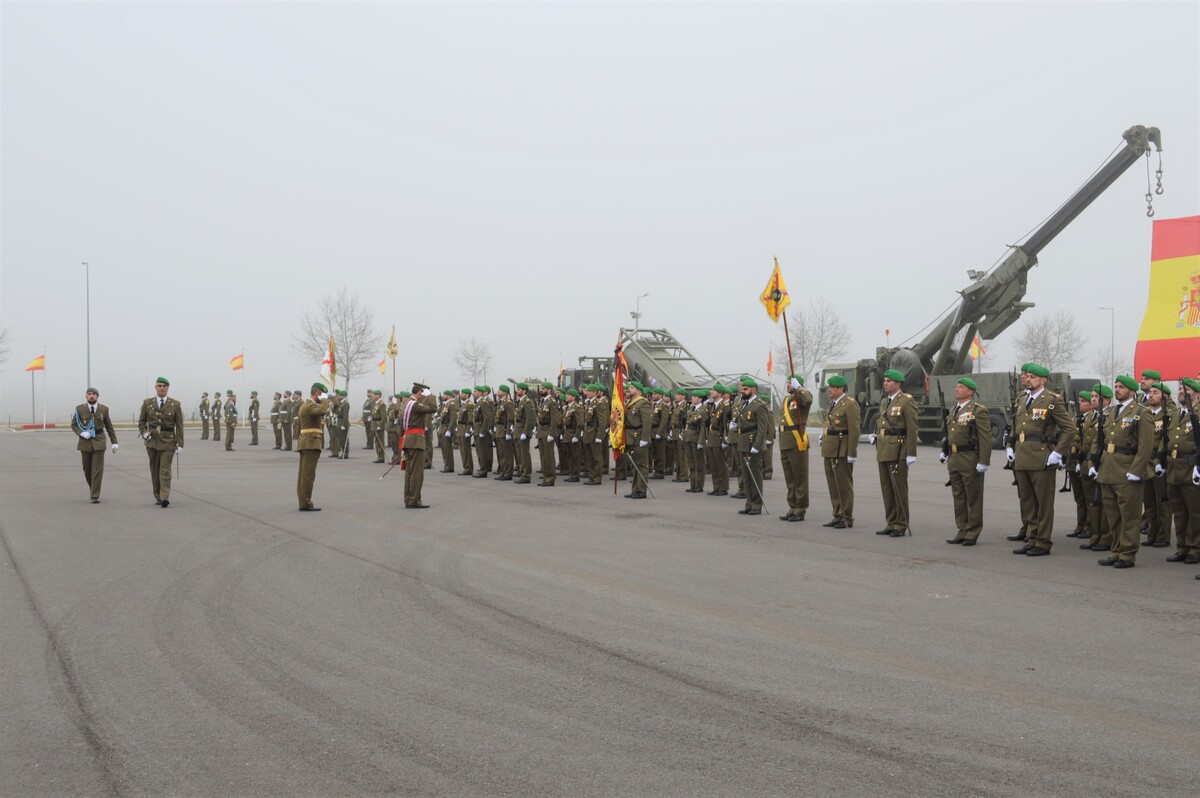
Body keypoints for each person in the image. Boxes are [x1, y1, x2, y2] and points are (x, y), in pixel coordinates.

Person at [1009, 363, 1076, 556]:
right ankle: (1031, 537)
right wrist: (1010, 447)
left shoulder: (1052, 401)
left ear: (1043, 380)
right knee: (1028, 501)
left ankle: (1043, 541)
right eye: (1027, 376)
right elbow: (1017, 426)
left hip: (1041, 457)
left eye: (1033, 377)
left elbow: (1069, 429)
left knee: (1043, 503)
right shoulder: (1023, 399)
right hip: (1022, 456)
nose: (1028, 379)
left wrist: (1058, 453)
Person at [1090, 375, 1153, 568]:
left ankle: (1127, 553)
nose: (1117, 389)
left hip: (1127, 470)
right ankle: (1116, 550)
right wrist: (1095, 463)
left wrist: (1136, 470)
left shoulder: (1142, 413)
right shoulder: (1111, 412)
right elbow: (1099, 439)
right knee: (1113, 514)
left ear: (1131, 391)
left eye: (1121, 387)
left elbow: (1146, 446)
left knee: (1129, 515)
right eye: (1116, 386)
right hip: (1108, 469)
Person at [941, 377, 992, 545]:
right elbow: (950, 435)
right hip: (955, 459)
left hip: (970, 458)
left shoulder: (978, 410)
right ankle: (962, 529)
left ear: (970, 391)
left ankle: (972, 532)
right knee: (959, 497)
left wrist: (984, 461)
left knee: (973, 497)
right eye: (956, 387)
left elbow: (985, 438)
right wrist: (945, 451)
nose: (956, 389)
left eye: (961, 387)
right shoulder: (952, 410)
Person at [873, 369, 918, 537]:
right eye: (884, 380)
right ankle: (891, 522)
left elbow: (912, 429)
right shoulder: (884, 402)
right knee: (887, 489)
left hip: (898, 450)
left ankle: (901, 524)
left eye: (889, 381)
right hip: (883, 449)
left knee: (899, 489)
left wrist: (911, 453)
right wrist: (876, 436)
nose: (885, 383)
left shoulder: (906, 401)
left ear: (898, 384)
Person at [1165, 377, 1200, 566]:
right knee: (1178, 511)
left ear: (1196, 394)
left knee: (1195, 511)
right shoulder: (1176, 414)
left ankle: (1195, 548)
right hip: (1174, 467)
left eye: (1185, 389)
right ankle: (1182, 546)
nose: (1180, 392)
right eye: (1179, 389)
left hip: (1191, 467)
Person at [137, 376, 185, 507]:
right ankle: (157, 494)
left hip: (168, 441)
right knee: (154, 469)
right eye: (159, 386)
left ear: (168, 388)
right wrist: (144, 433)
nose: (162, 388)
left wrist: (180, 443)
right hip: (152, 441)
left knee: (165, 469)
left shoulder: (175, 405)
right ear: (155, 388)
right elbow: (141, 422)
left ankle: (164, 497)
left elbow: (179, 425)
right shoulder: (147, 403)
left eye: (164, 386)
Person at [821, 375, 859, 529]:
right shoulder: (833, 403)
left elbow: (854, 430)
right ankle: (837, 514)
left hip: (841, 450)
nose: (829, 390)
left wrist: (851, 453)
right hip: (830, 448)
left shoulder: (850, 404)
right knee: (833, 485)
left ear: (841, 388)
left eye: (832, 387)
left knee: (843, 485)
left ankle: (846, 516)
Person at [1079, 385, 1113, 552]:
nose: (1093, 399)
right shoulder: (1090, 416)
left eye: (1096, 397)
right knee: (1092, 501)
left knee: (1105, 503)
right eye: (1092, 396)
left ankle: (1106, 537)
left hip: (1105, 464)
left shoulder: (1110, 415)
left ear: (1107, 400)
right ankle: (1095, 535)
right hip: (1090, 463)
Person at [72, 387, 118, 503]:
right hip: (85, 442)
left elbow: (109, 426)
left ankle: (95, 494)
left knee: (97, 469)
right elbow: (74, 425)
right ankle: (93, 487)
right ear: (86, 396)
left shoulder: (104, 409)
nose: (91, 396)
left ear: (97, 396)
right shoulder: (80, 409)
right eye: (89, 394)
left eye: (93, 394)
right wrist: (81, 433)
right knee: (87, 469)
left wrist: (114, 442)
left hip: (99, 440)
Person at [777, 375, 813, 522]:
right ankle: (792, 506)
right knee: (790, 477)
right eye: (788, 382)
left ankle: (800, 508)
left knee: (800, 476)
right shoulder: (787, 400)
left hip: (797, 440)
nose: (787, 385)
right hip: (785, 441)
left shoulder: (801, 398)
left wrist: (799, 388)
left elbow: (809, 399)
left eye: (790, 383)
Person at [1143, 383, 1173, 548]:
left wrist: (1159, 461)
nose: (1151, 395)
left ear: (1164, 397)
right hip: (1145, 463)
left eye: (1155, 392)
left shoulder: (1167, 415)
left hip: (1159, 463)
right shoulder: (1145, 414)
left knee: (1162, 502)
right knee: (1149, 502)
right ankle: (1152, 534)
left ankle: (1163, 536)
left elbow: (1165, 440)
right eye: (1150, 392)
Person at [734, 376, 770, 515]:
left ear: (753, 390)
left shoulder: (759, 405)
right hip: (743, 442)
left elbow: (762, 428)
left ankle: (756, 505)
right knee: (746, 475)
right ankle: (749, 503)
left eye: (745, 389)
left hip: (752, 442)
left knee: (755, 475)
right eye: (742, 389)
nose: (742, 391)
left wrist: (758, 445)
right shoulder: (744, 404)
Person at [296, 383, 331, 511]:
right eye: (321, 394)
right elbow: (322, 411)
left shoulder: (305, 405)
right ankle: (305, 503)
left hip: (306, 442)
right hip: (310, 443)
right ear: (317, 394)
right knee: (308, 475)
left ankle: (303, 501)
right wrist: (326, 400)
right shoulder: (310, 405)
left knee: (304, 475)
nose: (322, 398)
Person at [402, 383, 437, 508]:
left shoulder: (406, 403)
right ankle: (414, 500)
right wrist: (431, 396)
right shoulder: (415, 405)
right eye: (423, 394)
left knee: (409, 472)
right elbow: (433, 408)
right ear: (418, 393)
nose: (424, 396)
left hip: (408, 440)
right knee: (417, 472)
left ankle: (408, 498)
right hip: (416, 441)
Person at [623, 381, 652, 498]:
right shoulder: (630, 403)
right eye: (629, 387)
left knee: (641, 465)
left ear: (639, 391)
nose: (629, 389)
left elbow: (647, 422)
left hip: (638, 436)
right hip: (630, 437)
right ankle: (635, 489)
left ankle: (642, 490)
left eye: (632, 387)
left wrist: (644, 438)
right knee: (634, 465)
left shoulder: (643, 403)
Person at [706, 384, 730, 496]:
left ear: (720, 393)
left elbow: (726, 423)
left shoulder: (724, 406)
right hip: (712, 436)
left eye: (714, 390)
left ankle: (723, 487)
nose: (712, 391)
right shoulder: (713, 405)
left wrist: (725, 439)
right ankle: (716, 486)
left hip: (719, 436)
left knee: (720, 463)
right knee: (713, 464)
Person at [684, 389, 710, 494]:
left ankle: (699, 485)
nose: (692, 398)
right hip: (688, 437)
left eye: (695, 397)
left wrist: (700, 441)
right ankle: (693, 485)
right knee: (691, 463)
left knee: (699, 464)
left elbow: (703, 427)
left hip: (696, 438)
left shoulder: (703, 410)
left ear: (700, 399)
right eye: (693, 396)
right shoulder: (691, 408)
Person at [537, 381, 561, 486]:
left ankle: (550, 478)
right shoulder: (544, 401)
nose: (541, 390)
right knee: (543, 456)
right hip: (542, 431)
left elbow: (555, 419)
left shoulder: (552, 402)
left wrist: (552, 433)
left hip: (547, 431)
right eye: (541, 388)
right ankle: (546, 477)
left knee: (549, 456)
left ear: (549, 390)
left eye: (544, 389)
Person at [513, 382, 535, 483]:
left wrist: (525, 432)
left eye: (519, 390)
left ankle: (526, 475)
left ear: (524, 391)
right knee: (519, 454)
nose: (517, 391)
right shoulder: (521, 402)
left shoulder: (527, 402)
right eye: (517, 389)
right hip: (518, 430)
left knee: (524, 454)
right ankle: (522, 473)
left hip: (523, 431)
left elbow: (529, 419)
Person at [562, 388, 584, 482]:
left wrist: (577, 435)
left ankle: (575, 475)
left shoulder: (577, 407)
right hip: (568, 434)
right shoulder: (568, 407)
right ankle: (571, 473)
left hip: (573, 434)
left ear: (574, 397)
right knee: (570, 455)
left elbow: (580, 422)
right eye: (567, 395)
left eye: (569, 395)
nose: (566, 396)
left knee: (575, 456)